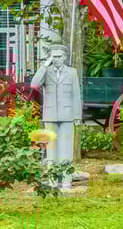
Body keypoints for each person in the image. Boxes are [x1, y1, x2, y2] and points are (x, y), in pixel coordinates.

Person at [31, 44, 82, 189]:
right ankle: (52, 180)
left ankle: (66, 180)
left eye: (59, 56)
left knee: (66, 150)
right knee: (51, 150)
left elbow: (76, 95)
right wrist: (45, 65)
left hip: (67, 115)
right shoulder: (46, 71)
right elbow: (34, 85)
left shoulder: (72, 72)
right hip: (50, 115)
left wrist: (77, 114)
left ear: (64, 57)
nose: (57, 59)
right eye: (54, 57)